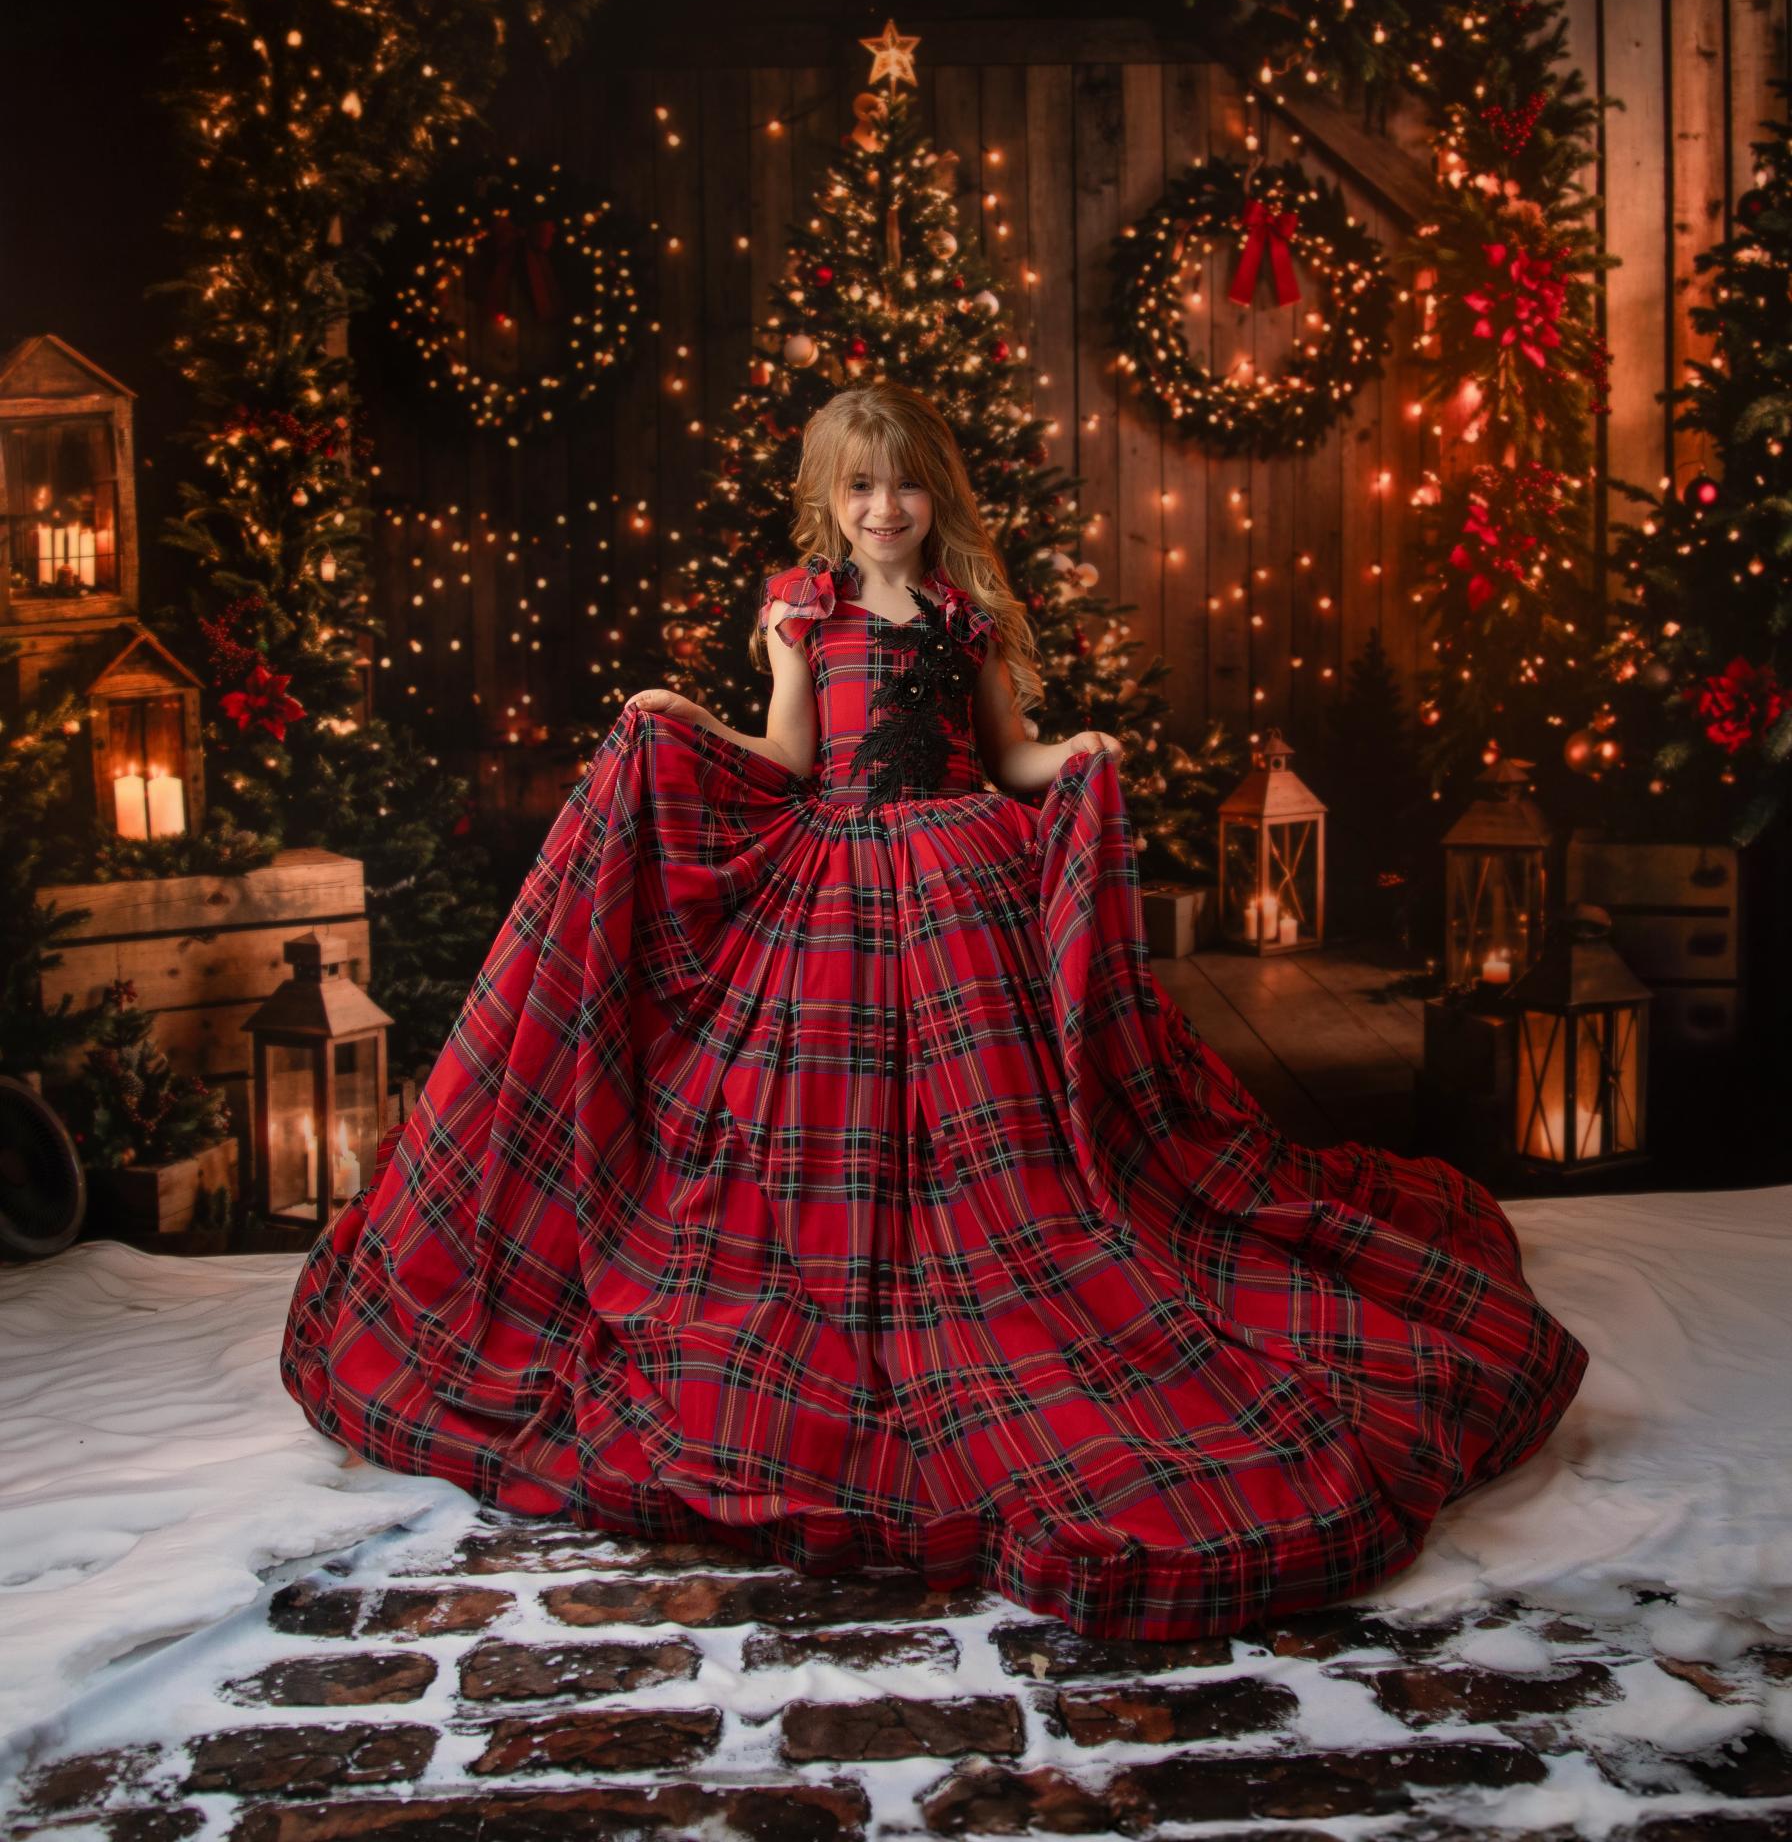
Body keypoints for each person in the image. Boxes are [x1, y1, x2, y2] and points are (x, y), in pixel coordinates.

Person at [282, 380, 1587, 1643]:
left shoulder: (966, 621)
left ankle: (1003, 1226)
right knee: (827, 1107)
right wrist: (684, 722)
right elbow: (791, 759)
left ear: (934, 494)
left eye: (906, 485)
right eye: (862, 488)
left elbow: (1006, 752)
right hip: (839, 875)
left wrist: (1067, 761)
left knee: (991, 1114)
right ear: (829, 502)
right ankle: (846, 1250)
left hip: (964, 868)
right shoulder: (801, 614)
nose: (887, 507)